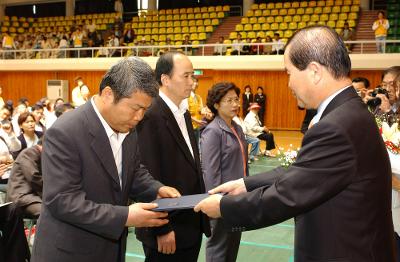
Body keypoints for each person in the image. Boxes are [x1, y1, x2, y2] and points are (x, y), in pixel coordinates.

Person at [195, 25, 397, 261]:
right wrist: (245, 184)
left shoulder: (336, 125)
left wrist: (224, 207)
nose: (289, 84)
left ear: (314, 71)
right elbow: (305, 171)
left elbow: (288, 194)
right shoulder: (348, 112)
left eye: (289, 73)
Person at [30, 57, 181, 262]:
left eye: (145, 109)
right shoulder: (65, 131)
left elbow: (132, 171)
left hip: (111, 250)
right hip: (70, 251)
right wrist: (126, 216)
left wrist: (156, 189)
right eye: (136, 108)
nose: (139, 117)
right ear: (109, 94)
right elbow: (63, 201)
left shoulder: (127, 127)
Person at [135, 51, 210, 261]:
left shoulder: (183, 111)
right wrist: (162, 228)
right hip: (168, 229)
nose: (192, 82)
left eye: (193, 76)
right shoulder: (150, 115)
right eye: (185, 76)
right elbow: (147, 176)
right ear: (165, 79)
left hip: (189, 223)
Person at [200, 82, 247, 262]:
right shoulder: (212, 132)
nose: (235, 104)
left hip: (238, 198)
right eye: (229, 100)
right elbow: (210, 172)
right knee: (219, 246)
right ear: (217, 105)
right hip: (221, 201)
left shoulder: (238, 128)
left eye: (236, 99)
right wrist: (217, 202)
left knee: (233, 244)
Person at [7, 141, 43, 218]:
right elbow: (34, 178)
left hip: (34, 195)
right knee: (47, 213)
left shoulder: (41, 155)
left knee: (59, 209)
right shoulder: (29, 153)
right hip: (22, 197)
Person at [188, 77, 205, 144]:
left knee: (197, 147)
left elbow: (201, 110)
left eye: (197, 82)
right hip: (189, 127)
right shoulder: (186, 97)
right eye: (194, 81)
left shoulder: (198, 97)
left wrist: (208, 112)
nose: (196, 83)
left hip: (197, 127)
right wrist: (196, 120)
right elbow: (185, 113)